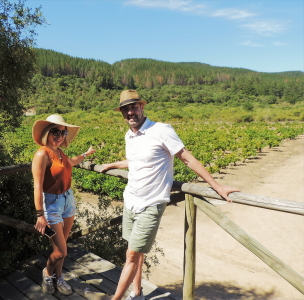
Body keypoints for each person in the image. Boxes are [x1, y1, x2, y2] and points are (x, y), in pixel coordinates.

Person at [101, 90, 240, 300]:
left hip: (151, 203)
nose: (130, 112)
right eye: (125, 109)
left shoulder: (161, 130)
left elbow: (187, 158)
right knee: (134, 251)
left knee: (131, 255)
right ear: (122, 112)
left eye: (133, 107)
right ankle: (137, 292)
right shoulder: (129, 135)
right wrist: (112, 164)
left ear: (142, 107)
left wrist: (216, 186)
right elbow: (136, 162)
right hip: (131, 200)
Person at [32, 114, 96, 295]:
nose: (60, 136)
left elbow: (71, 163)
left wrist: (85, 154)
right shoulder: (42, 154)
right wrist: (39, 215)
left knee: (62, 247)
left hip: (68, 201)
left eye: (63, 132)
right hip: (51, 204)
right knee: (61, 252)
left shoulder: (60, 152)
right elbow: (37, 186)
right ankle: (47, 272)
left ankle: (59, 278)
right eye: (55, 132)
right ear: (46, 132)